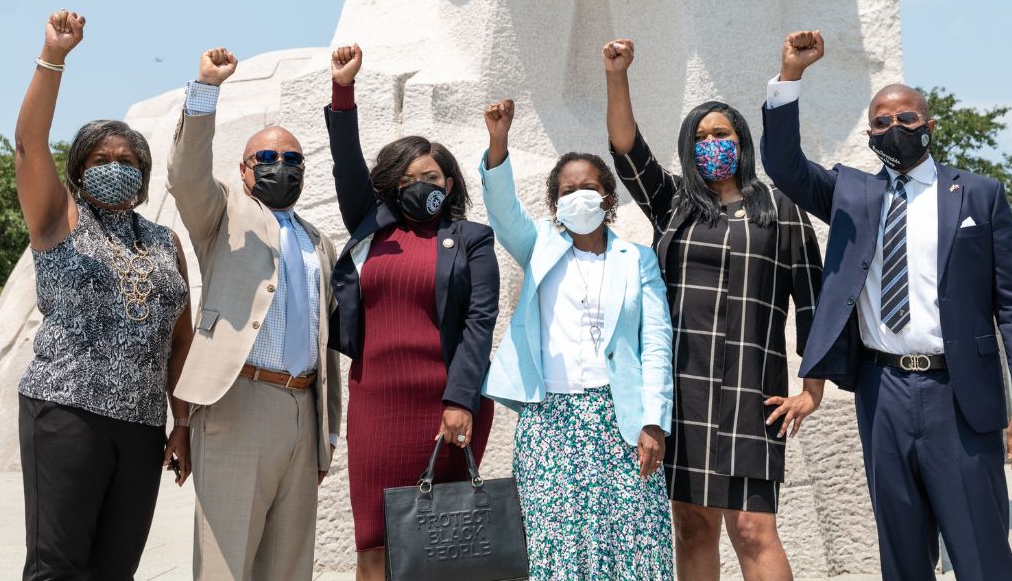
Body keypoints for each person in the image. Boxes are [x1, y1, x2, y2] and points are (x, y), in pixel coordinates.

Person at [761, 31, 1012, 581]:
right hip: (882, 392)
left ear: (930, 125)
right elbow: (785, 165)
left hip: (958, 395)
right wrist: (791, 76)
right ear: (870, 134)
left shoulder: (980, 195)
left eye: (907, 119)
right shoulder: (852, 195)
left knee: (981, 554)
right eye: (882, 123)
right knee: (902, 554)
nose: (896, 129)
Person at [602, 39, 824, 581]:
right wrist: (617, 75)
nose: (711, 145)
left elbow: (812, 303)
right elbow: (627, 149)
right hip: (684, 389)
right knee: (693, 526)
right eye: (700, 139)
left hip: (755, 391)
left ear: (741, 142)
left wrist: (812, 390)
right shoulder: (673, 203)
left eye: (720, 135)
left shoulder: (781, 208)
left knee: (753, 529)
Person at [14, 10, 193, 579]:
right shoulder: (58, 218)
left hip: (141, 427)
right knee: (57, 566)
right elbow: (27, 145)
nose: (115, 169)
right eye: (101, 161)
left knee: (116, 569)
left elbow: (180, 341)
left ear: (143, 176)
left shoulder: (165, 242)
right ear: (78, 170)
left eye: (127, 163)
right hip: (66, 412)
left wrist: (181, 423)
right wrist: (55, 58)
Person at [324, 44, 500, 581]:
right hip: (376, 401)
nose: (425, 186)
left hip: (447, 404)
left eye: (435, 176)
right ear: (392, 185)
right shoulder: (370, 225)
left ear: (450, 184)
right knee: (374, 545)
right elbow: (346, 161)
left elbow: (478, 324)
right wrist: (343, 88)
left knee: (442, 549)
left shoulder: (471, 238)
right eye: (410, 179)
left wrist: (460, 401)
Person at [167, 46, 343, 580]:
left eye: (292, 160)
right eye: (266, 159)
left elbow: (325, 339)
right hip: (237, 402)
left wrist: (325, 431)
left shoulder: (319, 243)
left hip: (301, 410)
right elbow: (186, 174)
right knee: (227, 564)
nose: (280, 167)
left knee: (288, 567)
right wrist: (206, 90)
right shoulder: (222, 216)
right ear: (244, 171)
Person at [480, 98, 675, 580]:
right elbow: (504, 213)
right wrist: (498, 143)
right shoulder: (539, 245)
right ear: (554, 204)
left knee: (633, 542)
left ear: (609, 198)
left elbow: (655, 345)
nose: (578, 197)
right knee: (556, 546)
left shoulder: (638, 259)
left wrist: (654, 421)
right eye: (567, 191)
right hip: (551, 422)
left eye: (589, 187)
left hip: (621, 418)